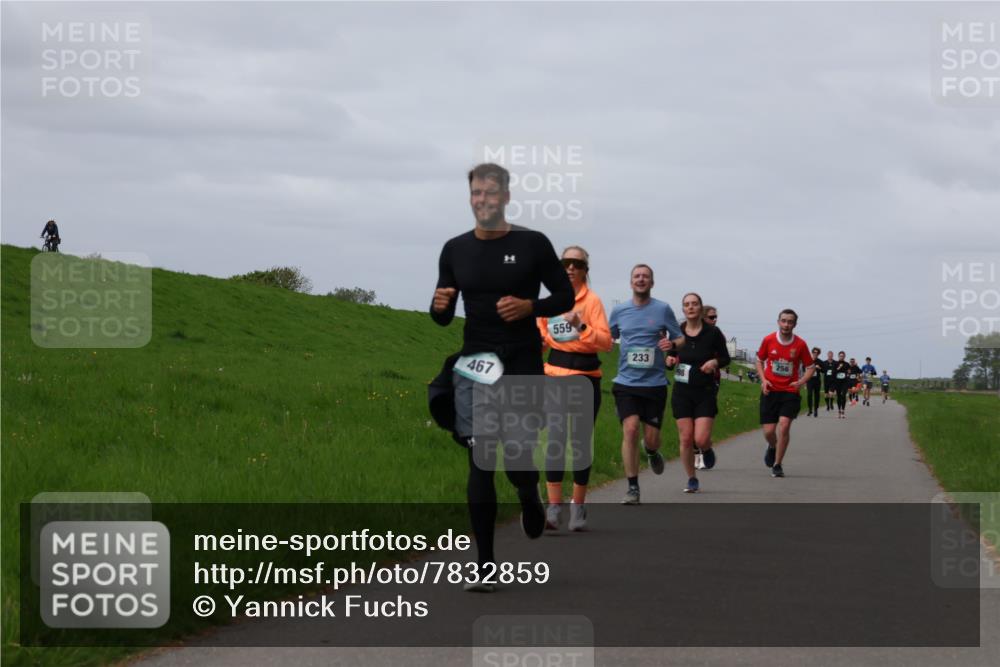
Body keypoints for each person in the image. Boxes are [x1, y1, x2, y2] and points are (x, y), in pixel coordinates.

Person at [430, 163, 575, 592]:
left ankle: (528, 494)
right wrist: (438, 306)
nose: (482, 200)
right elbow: (441, 317)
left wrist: (532, 307)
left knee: (516, 454)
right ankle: (485, 566)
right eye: (476, 193)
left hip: (522, 360)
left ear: (506, 197)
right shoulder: (454, 250)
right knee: (481, 454)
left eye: (490, 193)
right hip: (476, 360)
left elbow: (564, 296)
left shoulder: (532, 243)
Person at [537, 245, 612, 531]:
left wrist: (581, 326)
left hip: (585, 377)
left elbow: (605, 342)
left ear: (585, 271)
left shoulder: (592, 302)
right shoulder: (549, 302)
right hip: (554, 376)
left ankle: (578, 505)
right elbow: (542, 336)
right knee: (555, 438)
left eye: (577, 264)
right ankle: (554, 507)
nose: (570, 268)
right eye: (566, 262)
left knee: (580, 442)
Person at [609, 264, 685, 505]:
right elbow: (609, 335)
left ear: (652, 283)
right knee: (630, 430)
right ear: (631, 282)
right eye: (637, 276)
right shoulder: (619, 310)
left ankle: (651, 451)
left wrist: (672, 345)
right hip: (625, 382)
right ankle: (633, 488)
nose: (641, 279)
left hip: (654, 384)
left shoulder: (662, 309)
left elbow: (680, 338)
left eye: (646, 276)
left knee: (651, 439)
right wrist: (603, 341)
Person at [665, 293, 730, 492]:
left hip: (705, 391)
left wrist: (714, 362)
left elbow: (726, 358)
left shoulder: (713, 332)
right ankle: (691, 478)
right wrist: (669, 360)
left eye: (694, 304)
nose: (691, 307)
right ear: (683, 309)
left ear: (700, 308)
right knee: (686, 439)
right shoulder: (677, 332)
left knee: (700, 439)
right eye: (687, 304)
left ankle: (707, 448)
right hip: (682, 391)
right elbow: (671, 356)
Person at [755, 309, 816, 478]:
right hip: (770, 390)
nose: (786, 324)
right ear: (778, 322)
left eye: (790, 322)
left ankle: (777, 464)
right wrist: (763, 380)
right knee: (769, 432)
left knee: (784, 425)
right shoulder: (768, 340)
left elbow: (810, 368)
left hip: (790, 391)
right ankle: (772, 446)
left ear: (795, 324)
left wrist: (801, 382)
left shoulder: (800, 344)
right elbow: (759, 361)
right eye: (783, 321)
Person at [695, 304, 723, 469]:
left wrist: (713, 361)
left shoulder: (716, 334)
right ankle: (696, 454)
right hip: (689, 382)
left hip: (710, 381)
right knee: (690, 421)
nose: (714, 320)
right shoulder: (689, 332)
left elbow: (724, 357)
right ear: (702, 318)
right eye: (711, 317)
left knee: (703, 417)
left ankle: (703, 450)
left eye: (715, 317)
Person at [833, 351, 852, 418]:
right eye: (840, 356)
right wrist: (839, 367)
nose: (841, 357)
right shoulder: (836, 363)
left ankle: (843, 410)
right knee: (838, 396)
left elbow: (849, 372)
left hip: (844, 382)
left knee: (843, 395)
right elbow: (834, 372)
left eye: (843, 356)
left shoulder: (847, 364)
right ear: (838, 356)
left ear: (844, 357)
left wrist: (848, 373)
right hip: (837, 382)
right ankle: (839, 410)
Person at [805, 347, 823, 417]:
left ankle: (816, 410)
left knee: (817, 395)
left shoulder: (820, 362)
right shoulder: (807, 360)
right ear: (812, 352)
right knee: (809, 394)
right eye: (814, 352)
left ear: (818, 354)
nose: (815, 354)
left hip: (817, 380)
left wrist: (819, 368)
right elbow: (804, 369)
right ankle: (810, 409)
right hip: (809, 380)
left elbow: (824, 370)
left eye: (817, 353)